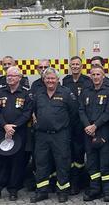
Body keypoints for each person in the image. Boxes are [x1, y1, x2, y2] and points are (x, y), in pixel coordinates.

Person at [0, 66, 33, 202]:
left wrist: (14, 127)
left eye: (13, 76)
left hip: (18, 132)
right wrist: (5, 126)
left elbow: (27, 113)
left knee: (17, 162)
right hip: (2, 131)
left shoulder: (26, 94)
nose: (10, 78)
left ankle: (13, 190)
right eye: (8, 76)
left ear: (19, 78)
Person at [31, 67, 78, 203]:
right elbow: (32, 110)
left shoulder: (66, 93)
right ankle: (42, 191)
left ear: (58, 80)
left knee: (62, 163)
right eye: (48, 78)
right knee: (41, 164)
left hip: (60, 135)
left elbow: (74, 113)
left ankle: (62, 191)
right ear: (43, 80)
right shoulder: (38, 93)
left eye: (53, 78)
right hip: (42, 135)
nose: (50, 81)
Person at [79, 66, 109, 202]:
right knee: (92, 163)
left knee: (105, 163)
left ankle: (107, 192)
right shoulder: (85, 91)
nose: (95, 77)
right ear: (90, 76)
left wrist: (95, 125)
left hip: (103, 131)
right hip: (88, 131)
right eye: (93, 74)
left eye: (98, 74)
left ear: (103, 76)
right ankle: (95, 190)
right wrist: (88, 126)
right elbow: (81, 109)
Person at [63, 55, 94, 194]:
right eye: (73, 64)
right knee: (69, 153)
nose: (75, 66)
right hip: (68, 122)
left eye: (77, 64)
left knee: (80, 153)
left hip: (82, 123)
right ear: (70, 66)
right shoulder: (66, 80)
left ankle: (80, 182)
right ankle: (71, 181)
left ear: (82, 66)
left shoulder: (87, 81)